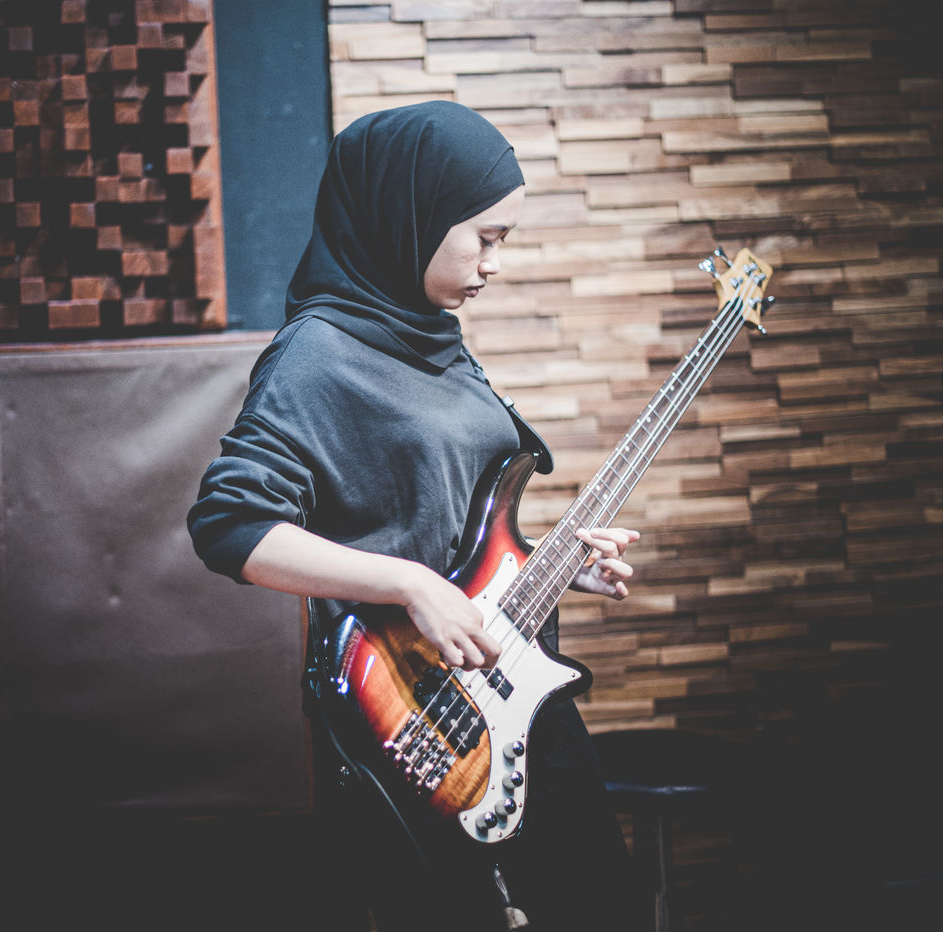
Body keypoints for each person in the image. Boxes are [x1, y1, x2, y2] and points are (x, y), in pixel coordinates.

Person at [189, 101, 642, 931]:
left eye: (504, 241)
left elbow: (447, 523)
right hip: (414, 719)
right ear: (412, 217)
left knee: (605, 905)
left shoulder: (435, 335)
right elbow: (230, 526)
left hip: (512, 685)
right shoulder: (316, 355)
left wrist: (552, 567)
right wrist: (409, 585)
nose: (495, 265)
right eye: (484, 239)